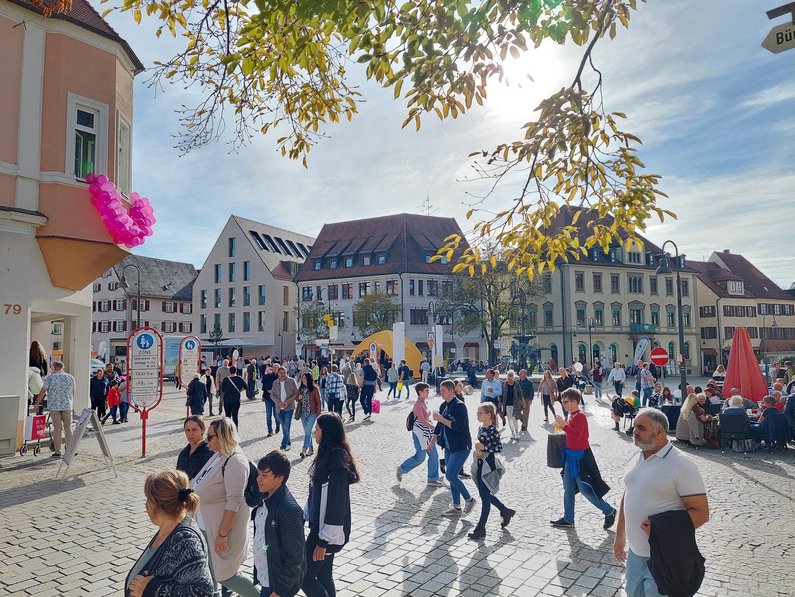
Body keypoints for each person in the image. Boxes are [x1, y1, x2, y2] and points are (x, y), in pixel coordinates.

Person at [613, 408, 709, 597]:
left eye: (641, 428)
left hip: (663, 556)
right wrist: (620, 535)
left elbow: (701, 514)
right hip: (635, 553)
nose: (635, 432)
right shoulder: (637, 457)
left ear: (659, 432)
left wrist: (660, 528)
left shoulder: (682, 466)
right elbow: (629, 494)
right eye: (635, 427)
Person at [190, 418, 259, 597]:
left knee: (226, 576)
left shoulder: (235, 461)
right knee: (209, 571)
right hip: (206, 524)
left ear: (223, 437)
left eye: (210, 437)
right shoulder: (219, 454)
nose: (206, 441)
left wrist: (222, 534)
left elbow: (234, 502)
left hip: (222, 529)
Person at [125, 470, 213, 597]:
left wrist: (152, 590)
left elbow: (203, 593)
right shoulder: (169, 528)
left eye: (148, 499)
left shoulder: (185, 541)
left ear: (156, 504)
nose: (145, 504)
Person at [302, 413, 361, 597]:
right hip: (319, 528)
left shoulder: (337, 461)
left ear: (326, 432)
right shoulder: (326, 455)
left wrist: (323, 541)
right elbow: (316, 492)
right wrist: (304, 514)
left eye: (317, 429)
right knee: (324, 575)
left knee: (305, 578)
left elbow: (336, 504)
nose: (314, 433)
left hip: (325, 533)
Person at [550, 388, 615, 529]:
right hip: (570, 456)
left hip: (580, 457)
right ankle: (568, 518)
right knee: (568, 489)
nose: (564, 404)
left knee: (585, 489)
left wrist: (564, 425)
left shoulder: (580, 416)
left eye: (566, 401)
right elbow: (570, 433)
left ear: (574, 401)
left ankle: (609, 511)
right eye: (562, 402)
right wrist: (561, 427)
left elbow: (578, 435)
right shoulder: (570, 414)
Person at [252, 451, 307, 597]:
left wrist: (280, 591)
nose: (258, 479)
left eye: (264, 476)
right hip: (266, 580)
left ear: (280, 478)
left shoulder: (289, 510)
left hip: (276, 586)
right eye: (259, 474)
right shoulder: (265, 497)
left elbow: (296, 557)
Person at [468, 402, 515, 540]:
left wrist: (484, 447)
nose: (478, 415)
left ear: (489, 415)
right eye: (477, 413)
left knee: (485, 497)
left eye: (480, 413)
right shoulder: (481, 427)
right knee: (485, 495)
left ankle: (481, 528)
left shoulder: (492, 429)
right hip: (480, 463)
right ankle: (505, 511)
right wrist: (479, 451)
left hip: (488, 466)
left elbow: (498, 448)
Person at [432, 380, 477, 517]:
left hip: (461, 446)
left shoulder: (459, 406)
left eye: (443, 391)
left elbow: (458, 427)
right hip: (448, 446)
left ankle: (469, 499)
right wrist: (432, 440)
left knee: (450, 475)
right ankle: (456, 507)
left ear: (451, 391)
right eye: (440, 390)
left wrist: (440, 418)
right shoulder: (443, 405)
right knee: (453, 476)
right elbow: (440, 426)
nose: (441, 393)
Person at [396, 383, 442, 487]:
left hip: (427, 432)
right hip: (419, 433)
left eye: (428, 390)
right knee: (420, 457)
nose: (428, 392)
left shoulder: (425, 402)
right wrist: (435, 429)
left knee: (434, 455)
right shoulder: (417, 405)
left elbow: (426, 419)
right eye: (426, 391)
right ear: (420, 392)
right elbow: (422, 420)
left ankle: (432, 479)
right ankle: (401, 469)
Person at [33, 361, 74, 458]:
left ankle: (57, 451)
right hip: (67, 406)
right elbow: (73, 392)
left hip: (54, 407)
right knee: (68, 428)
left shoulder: (50, 378)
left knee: (57, 429)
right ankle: (70, 449)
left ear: (55, 367)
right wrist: (70, 403)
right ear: (62, 367)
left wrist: (37, 403)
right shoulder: (70, 377)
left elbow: (43, 391)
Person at [176, 415, 214, 480]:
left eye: (194, 430)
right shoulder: (183, 453)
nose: (190, 434)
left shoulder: (210, 452)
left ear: (203, 430)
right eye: (187, 430)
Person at [270, 366, 298, 451]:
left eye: (284, 373)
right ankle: (288, 443)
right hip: (279, 408)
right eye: (281, 373)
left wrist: (288, 402)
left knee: (286, 427)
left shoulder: (292, 381)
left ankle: (283, 445)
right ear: (278, 374)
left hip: (289, 408)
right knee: (284, 428)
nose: (283, 375)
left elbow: (296, 393)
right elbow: (272, 395)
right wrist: (277, 402)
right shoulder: (275, 383)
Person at [298, 372, 322, 458]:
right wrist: (298, 398)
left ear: (309, 379)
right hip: (303, 413)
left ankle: (304, 450)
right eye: (302, 378)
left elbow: (319, 402)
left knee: (308, 431)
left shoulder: (315, 389)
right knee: (307, 432)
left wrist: (319, 415)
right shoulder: (301, 388)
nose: (303, 380)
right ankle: (311, 449)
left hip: (312, 413)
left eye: (304, 378)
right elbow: (296, 397)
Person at [499, 370, 525, 440]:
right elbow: (502, 394)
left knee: (514, 418)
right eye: (508, 378)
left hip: (515, 404)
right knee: (509, 419)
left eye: (510, 378)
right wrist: (500, 403)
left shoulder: (516, 384)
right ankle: (512, 432)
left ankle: (517, 432)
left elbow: (520, 393)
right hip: (506, 404)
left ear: (513, 377)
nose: (509, 380)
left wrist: (523, 402)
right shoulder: (504, 384)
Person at [261, 364, 280, 436]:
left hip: (276, 399)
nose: (274, 369)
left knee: (276, 415)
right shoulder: (268, 376)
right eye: (274, 367)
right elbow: (264, 387)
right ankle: (270, 431)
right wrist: (269, 390)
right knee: (268, 415)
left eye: (276, 368)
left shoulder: (280, 377)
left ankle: (278, 425)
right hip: (268, 398)